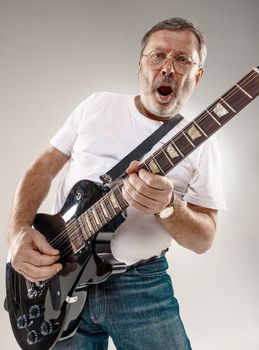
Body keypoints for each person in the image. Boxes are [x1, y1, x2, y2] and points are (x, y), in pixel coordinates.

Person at [7, 17, 226, 349]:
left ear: (197, 76)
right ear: (140, 64)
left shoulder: (203, 145)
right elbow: (42, 168)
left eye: (182, 59)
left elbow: (204, 238)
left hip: (141, 288)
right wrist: (19, 230)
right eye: (157, 55)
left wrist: (169, 208)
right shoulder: (97, 106)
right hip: (58, 273)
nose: (168, 67)